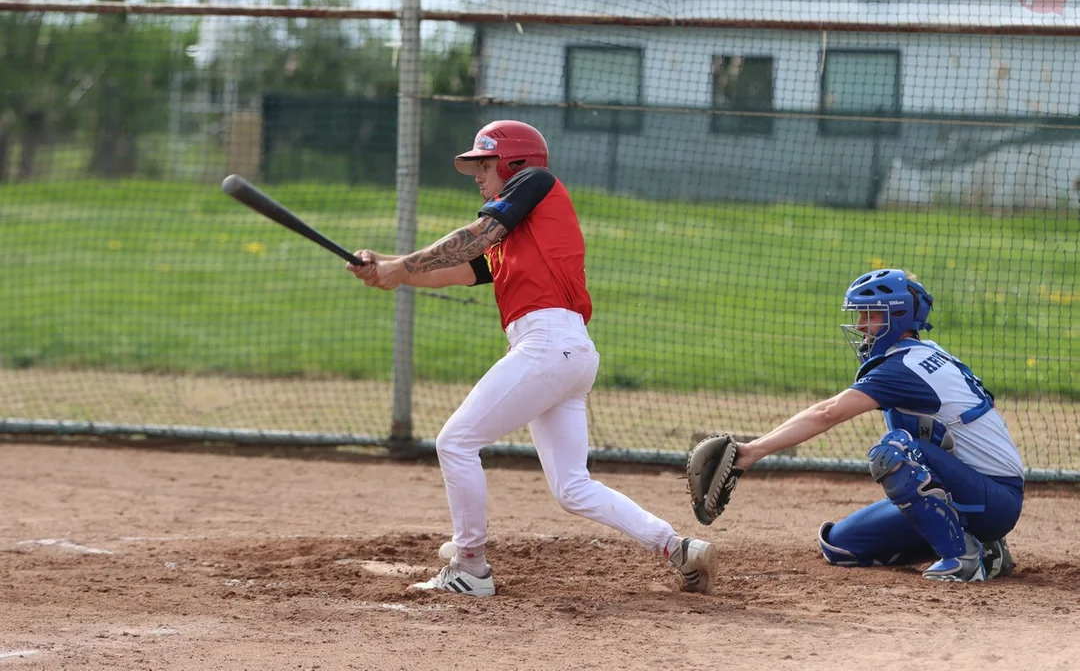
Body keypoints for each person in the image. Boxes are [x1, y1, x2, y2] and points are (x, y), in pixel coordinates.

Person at [347, 119, 716, 596]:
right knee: (572, 487)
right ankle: (677, 548)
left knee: (455, 442)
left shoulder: (535, 183)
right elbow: (462, 268)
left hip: (548, 345)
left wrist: (402, 264)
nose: (478, 176)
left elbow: (476, 235)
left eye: (485, 165)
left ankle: (471, 567)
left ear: (512, 163)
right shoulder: (516, 235)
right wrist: (393, 270)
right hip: (566, 350)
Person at [733, 269, 1024, 582]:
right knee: (841, 546)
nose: (859, 326)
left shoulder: (902, 368)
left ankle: (962, 559)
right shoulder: (924, 353)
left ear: (897, 317)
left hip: (995, 498)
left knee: (894, 451)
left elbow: (827, 412)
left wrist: (751, 451)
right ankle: (984, 547)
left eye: (869, 316)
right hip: (978, 489)